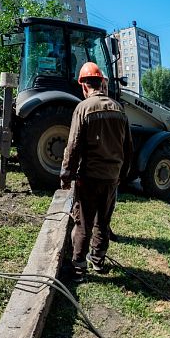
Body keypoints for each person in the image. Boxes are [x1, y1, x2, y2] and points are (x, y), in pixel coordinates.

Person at [60, 62, 132, 282]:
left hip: (89, 178)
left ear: (83, 86)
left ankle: (79, 269)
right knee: (103, 221)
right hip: (112, 178)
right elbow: (128, 147)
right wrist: (122, 175)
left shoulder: (83, 108)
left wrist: (66, 174)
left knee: (83, 223)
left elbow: (73, 146)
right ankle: (98, 260)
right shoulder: (119, 109)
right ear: (102, 82)